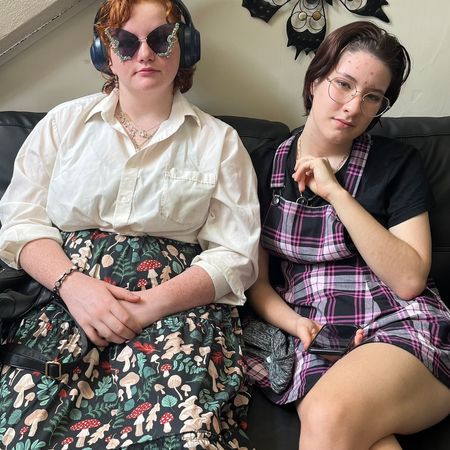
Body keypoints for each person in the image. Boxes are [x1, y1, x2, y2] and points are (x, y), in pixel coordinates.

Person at [0, 1, 260, 449]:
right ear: (105, 52)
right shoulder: (63, 124)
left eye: (161, 39)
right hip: (63, 302)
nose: (145, 54)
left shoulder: (220, 142)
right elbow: (22, 223)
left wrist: (147, 307)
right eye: (125, 41)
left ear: (185, 46)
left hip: (175, 314)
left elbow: (235, 256)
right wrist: (73, 286)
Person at [247, 21, 450, 450]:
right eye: (343, 84)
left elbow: (409, 279)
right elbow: (257, 283)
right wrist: (299, 325)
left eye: (372, 97)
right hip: (313, 330)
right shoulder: (261, 165)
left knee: (329, 414)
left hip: (398, 321)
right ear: (315, 81)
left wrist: (336, 193)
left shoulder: (397, 163)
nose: (353, 107)